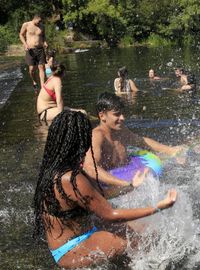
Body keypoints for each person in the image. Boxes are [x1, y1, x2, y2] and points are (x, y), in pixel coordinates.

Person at [33, 111, 177, 268]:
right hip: (71, 249)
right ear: (78, 141)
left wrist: (130, 186)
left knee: (145, 231)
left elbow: (98, 196)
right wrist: (158, 207)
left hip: (83, 234)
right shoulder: (70, 178)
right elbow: (110, 215)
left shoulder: (57, 169)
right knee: (138, 242)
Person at [83, 92, 184, 192]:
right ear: (102, 116)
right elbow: (90, 168)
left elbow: (141, 141)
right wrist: (128, 184)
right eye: (117, 114)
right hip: (108, 187)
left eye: (122, 113)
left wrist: (170, 150)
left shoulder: (121, 131)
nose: (122, 118)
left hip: (125, 170)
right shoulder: (97, 136)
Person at [19, 14, 48, 90]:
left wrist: (45, 42)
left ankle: (42, 86)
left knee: (41, 67)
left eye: (40, 21)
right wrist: (25, 44)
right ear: (35, 19)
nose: (39, 23)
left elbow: (43, 36)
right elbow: (21, 35)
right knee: (31, 69)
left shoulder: (42, 26)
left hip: (40, 49)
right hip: (30, 50)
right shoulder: (26, 24)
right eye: (38, 21)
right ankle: (34, 81)